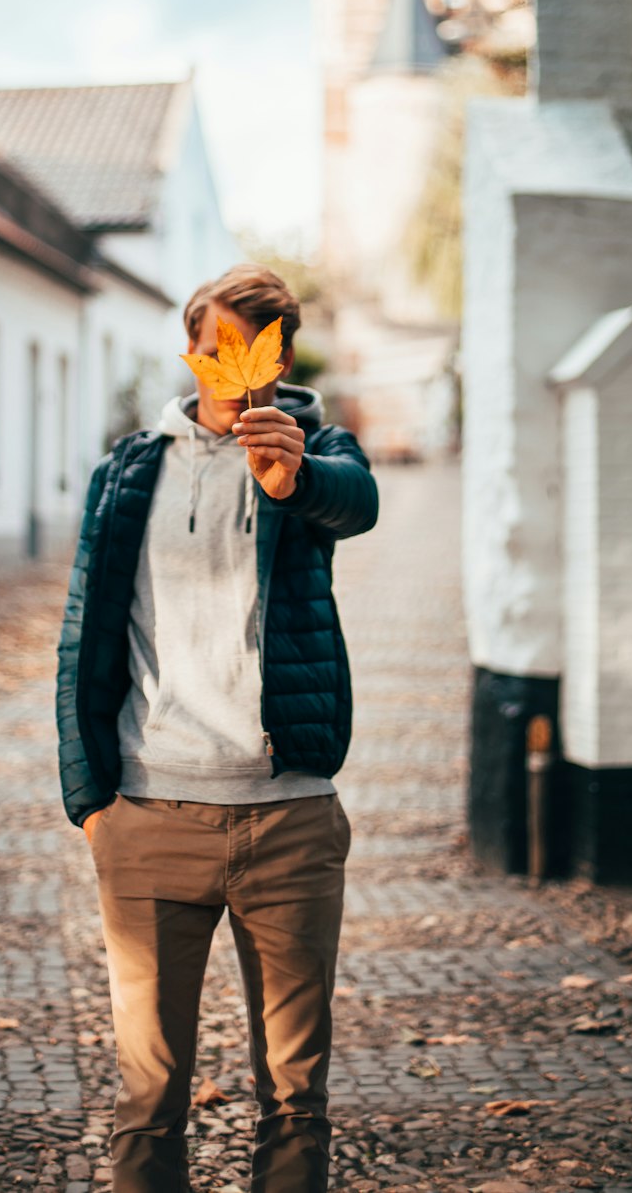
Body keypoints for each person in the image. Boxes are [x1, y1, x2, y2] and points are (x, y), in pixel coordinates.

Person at [56, 263, 379, 1193]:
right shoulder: (127, 472)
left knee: (294, 1097)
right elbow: (85, 628)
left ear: (281, 361)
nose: (232, 375)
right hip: (151, 815)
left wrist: (291, 475)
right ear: (191, 347)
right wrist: (91, 799)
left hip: (289, 818)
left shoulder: (317, 452)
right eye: (214, 349)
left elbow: (354, 503)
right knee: (148, 1097)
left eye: (254, 356)